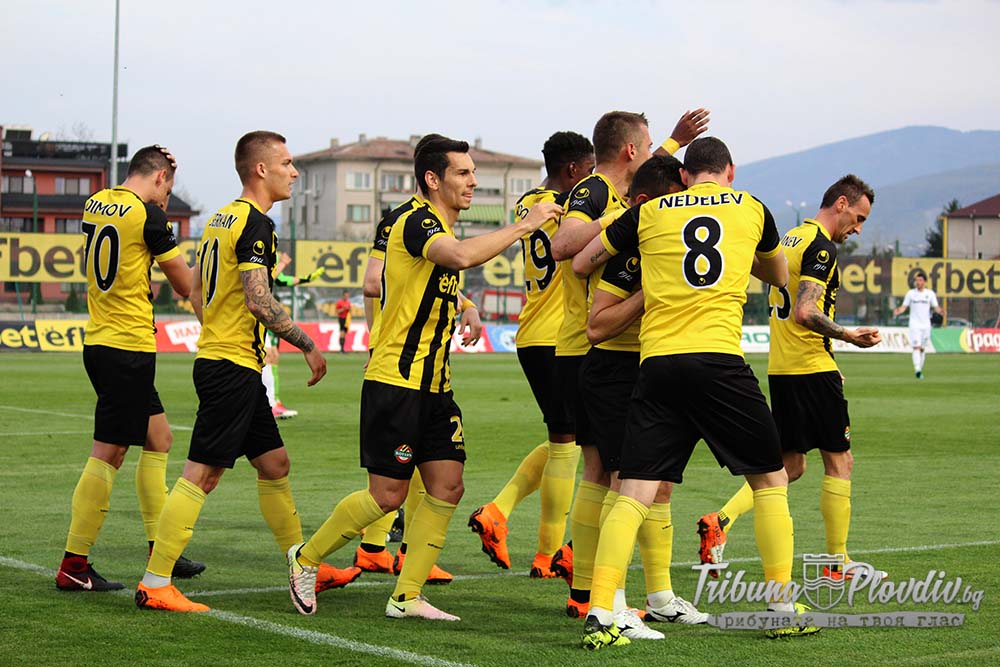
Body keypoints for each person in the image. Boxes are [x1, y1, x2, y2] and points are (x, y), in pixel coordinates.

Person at [287, 134, 562, 621]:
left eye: (473, 172)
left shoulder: (433, 225)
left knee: (448, 486)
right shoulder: (417, 220)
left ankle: (406, 595)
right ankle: (306, 558)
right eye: (463, 173)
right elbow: (456, 257)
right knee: (387, 496)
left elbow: (431, 273)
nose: (473, 181)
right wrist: (524, 225)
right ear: (433, 179)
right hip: (397, 381)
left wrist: (466, 302)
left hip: (435, 384)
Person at [573, 137, 816, 649]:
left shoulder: (648, 213)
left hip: (657, 362)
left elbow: (585, 259)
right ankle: (781, 605)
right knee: (771, 478)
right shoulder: (751, 206)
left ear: (684, 175)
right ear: (730, 171)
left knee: (634, 490)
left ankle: (601, 612)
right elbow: (778, 275)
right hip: (717, 359)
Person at [135, 131, 359, 612]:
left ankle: (302, 563)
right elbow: (259, 299)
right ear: (261, 169)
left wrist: (218, 331)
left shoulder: (221, 219)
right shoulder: (256, 223)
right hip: (230, 367)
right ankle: (155, 582)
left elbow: (196, 292)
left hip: (229, 361)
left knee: (274, 464)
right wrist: (307, 344)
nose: (294, 172)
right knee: (202, 473)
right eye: (287, 163)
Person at [539, 109, 708, 620]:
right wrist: (624, 220)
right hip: (591, 348)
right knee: (619, 475)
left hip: (617, 351)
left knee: (618, 474)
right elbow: (563, 245)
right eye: (650, 144)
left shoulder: (625, 191)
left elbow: (649, 182)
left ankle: (609, 593)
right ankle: (603, 597)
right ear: (631, 150)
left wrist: (675, 142)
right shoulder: (594, 191)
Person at [698, 175, 884, 593]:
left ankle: (720, 521)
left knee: (789, 467)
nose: (857, 229)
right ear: (841, 203)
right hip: (810, 368)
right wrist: (848, 335)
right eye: (858, 218)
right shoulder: (821, 247)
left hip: (784, 370)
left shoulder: (789, 239)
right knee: (840, 463)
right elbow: (805, 312)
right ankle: (837, 562)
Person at [57, 145, 204, 592]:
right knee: (110, 451)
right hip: (127, 346)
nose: (166, 200)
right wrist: (216, 258)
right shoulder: (148, 216)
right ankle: (74, 563)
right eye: (168, 189)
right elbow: (185, 284)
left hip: (102, 341)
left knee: (159, 437)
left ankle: (161, 548)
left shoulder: (97, 202)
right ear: (159, 177)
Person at [467, 130, 593, 580]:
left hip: (533, 332)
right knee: (568, 445)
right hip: (560, 336)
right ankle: (547, 554)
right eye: (590, 171)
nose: (594, 180)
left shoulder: (530, 203)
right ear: (573, 170)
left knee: (565, 439)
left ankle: (500, 513)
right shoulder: (566, 208)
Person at [263, 252, 325, 419]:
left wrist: (307, 279)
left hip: (263, 312)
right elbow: (265, 280)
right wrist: (282, 264)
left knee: (272, 356)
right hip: (255, 311)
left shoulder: (270, 252)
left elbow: (282, 280)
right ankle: (270, 403)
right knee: (267, 357)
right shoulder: (260, 248)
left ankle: (272, 401)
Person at [893, 271, 942, 379]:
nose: (918, 282)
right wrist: (898, 310)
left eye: (920, 280)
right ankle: (917, 370)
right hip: (914, 324)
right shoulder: (911, 294)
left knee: (922, 349)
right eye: (917, 280)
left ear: (925, 282)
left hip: (926, 325)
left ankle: (920, 369)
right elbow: (904, 306)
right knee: (916, 347)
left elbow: (936, 307)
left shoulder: (930, 294)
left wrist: (941, 311)